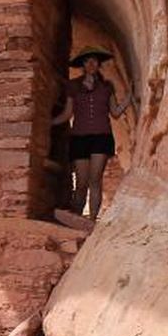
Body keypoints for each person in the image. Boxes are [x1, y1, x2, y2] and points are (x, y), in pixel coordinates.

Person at [51, 45, 135, 221]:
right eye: (87, 60)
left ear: (98, 64)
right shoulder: (73, 86)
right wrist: (49, 122)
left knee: (95, 180)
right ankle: (77, 217)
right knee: (81, 182)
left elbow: (115, 112)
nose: (91, 63)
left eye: (94, 60)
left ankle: (92, 219)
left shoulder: (106, 86)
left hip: (101, 137)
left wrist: (128, 99)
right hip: (79, 137)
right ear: (83, 64)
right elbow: (68, 113)